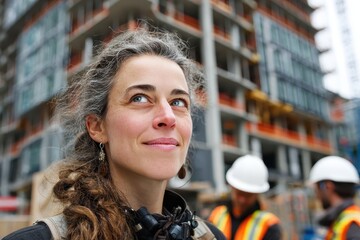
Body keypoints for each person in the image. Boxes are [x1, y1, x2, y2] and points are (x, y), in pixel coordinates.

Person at [3, 27, 226, 240]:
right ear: (97, 127)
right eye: (139, 98)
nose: (168, 117)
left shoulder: (211, 236)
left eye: (178, 102)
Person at [208, 154, 282, 240]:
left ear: (257, 194)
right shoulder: (217, 214)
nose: (242, 200)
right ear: (232, 187)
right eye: (239, 193)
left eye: (248, 195)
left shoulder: (269, 224)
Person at [308, 155, 360, 239]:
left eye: (316, 190)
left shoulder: (352, 225)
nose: (317, 197)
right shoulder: (342, 221)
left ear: (327, 186)